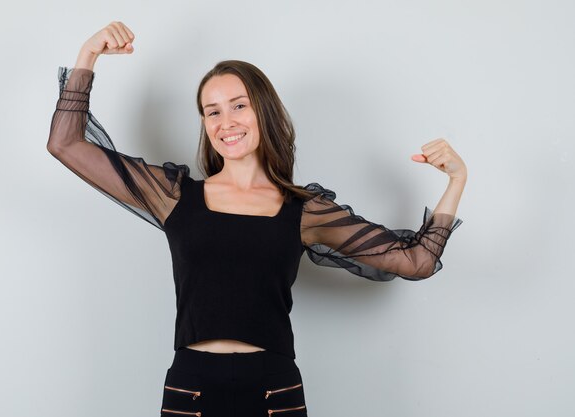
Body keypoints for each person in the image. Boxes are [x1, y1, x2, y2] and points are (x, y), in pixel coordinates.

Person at [47, 21, 465, 417]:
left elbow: (416, 261)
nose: (226, 122)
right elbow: (66, 143)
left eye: (239, 106)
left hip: (273, 390)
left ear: (263, 111)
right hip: (191, 388)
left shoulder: (304, 210)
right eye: (212, 111)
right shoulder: (174, 195)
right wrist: (88, 54)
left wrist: (456, 179)